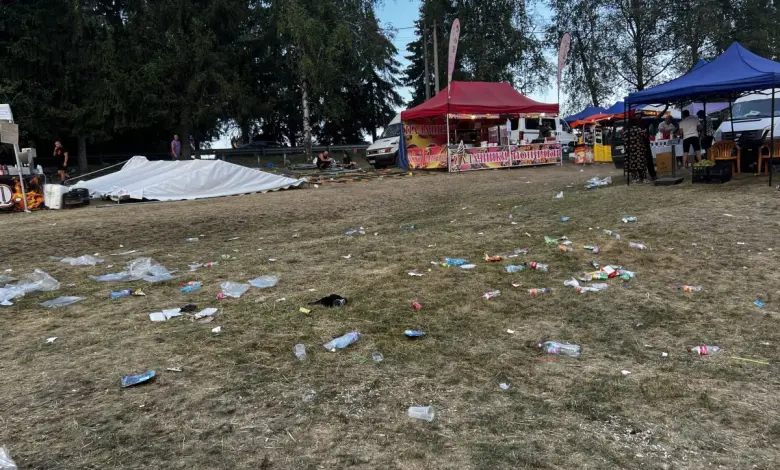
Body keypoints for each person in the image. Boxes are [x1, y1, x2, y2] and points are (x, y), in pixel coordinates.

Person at [625, 117, 649, 183]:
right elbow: (644, 135)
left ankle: (635, 178)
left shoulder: (626, 131)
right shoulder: (638, 129)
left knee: (633, 165)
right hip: (639, 150)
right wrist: (645, 131)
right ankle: (643, 178)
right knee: (641, 164)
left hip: (630, 151)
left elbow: (624, 140)